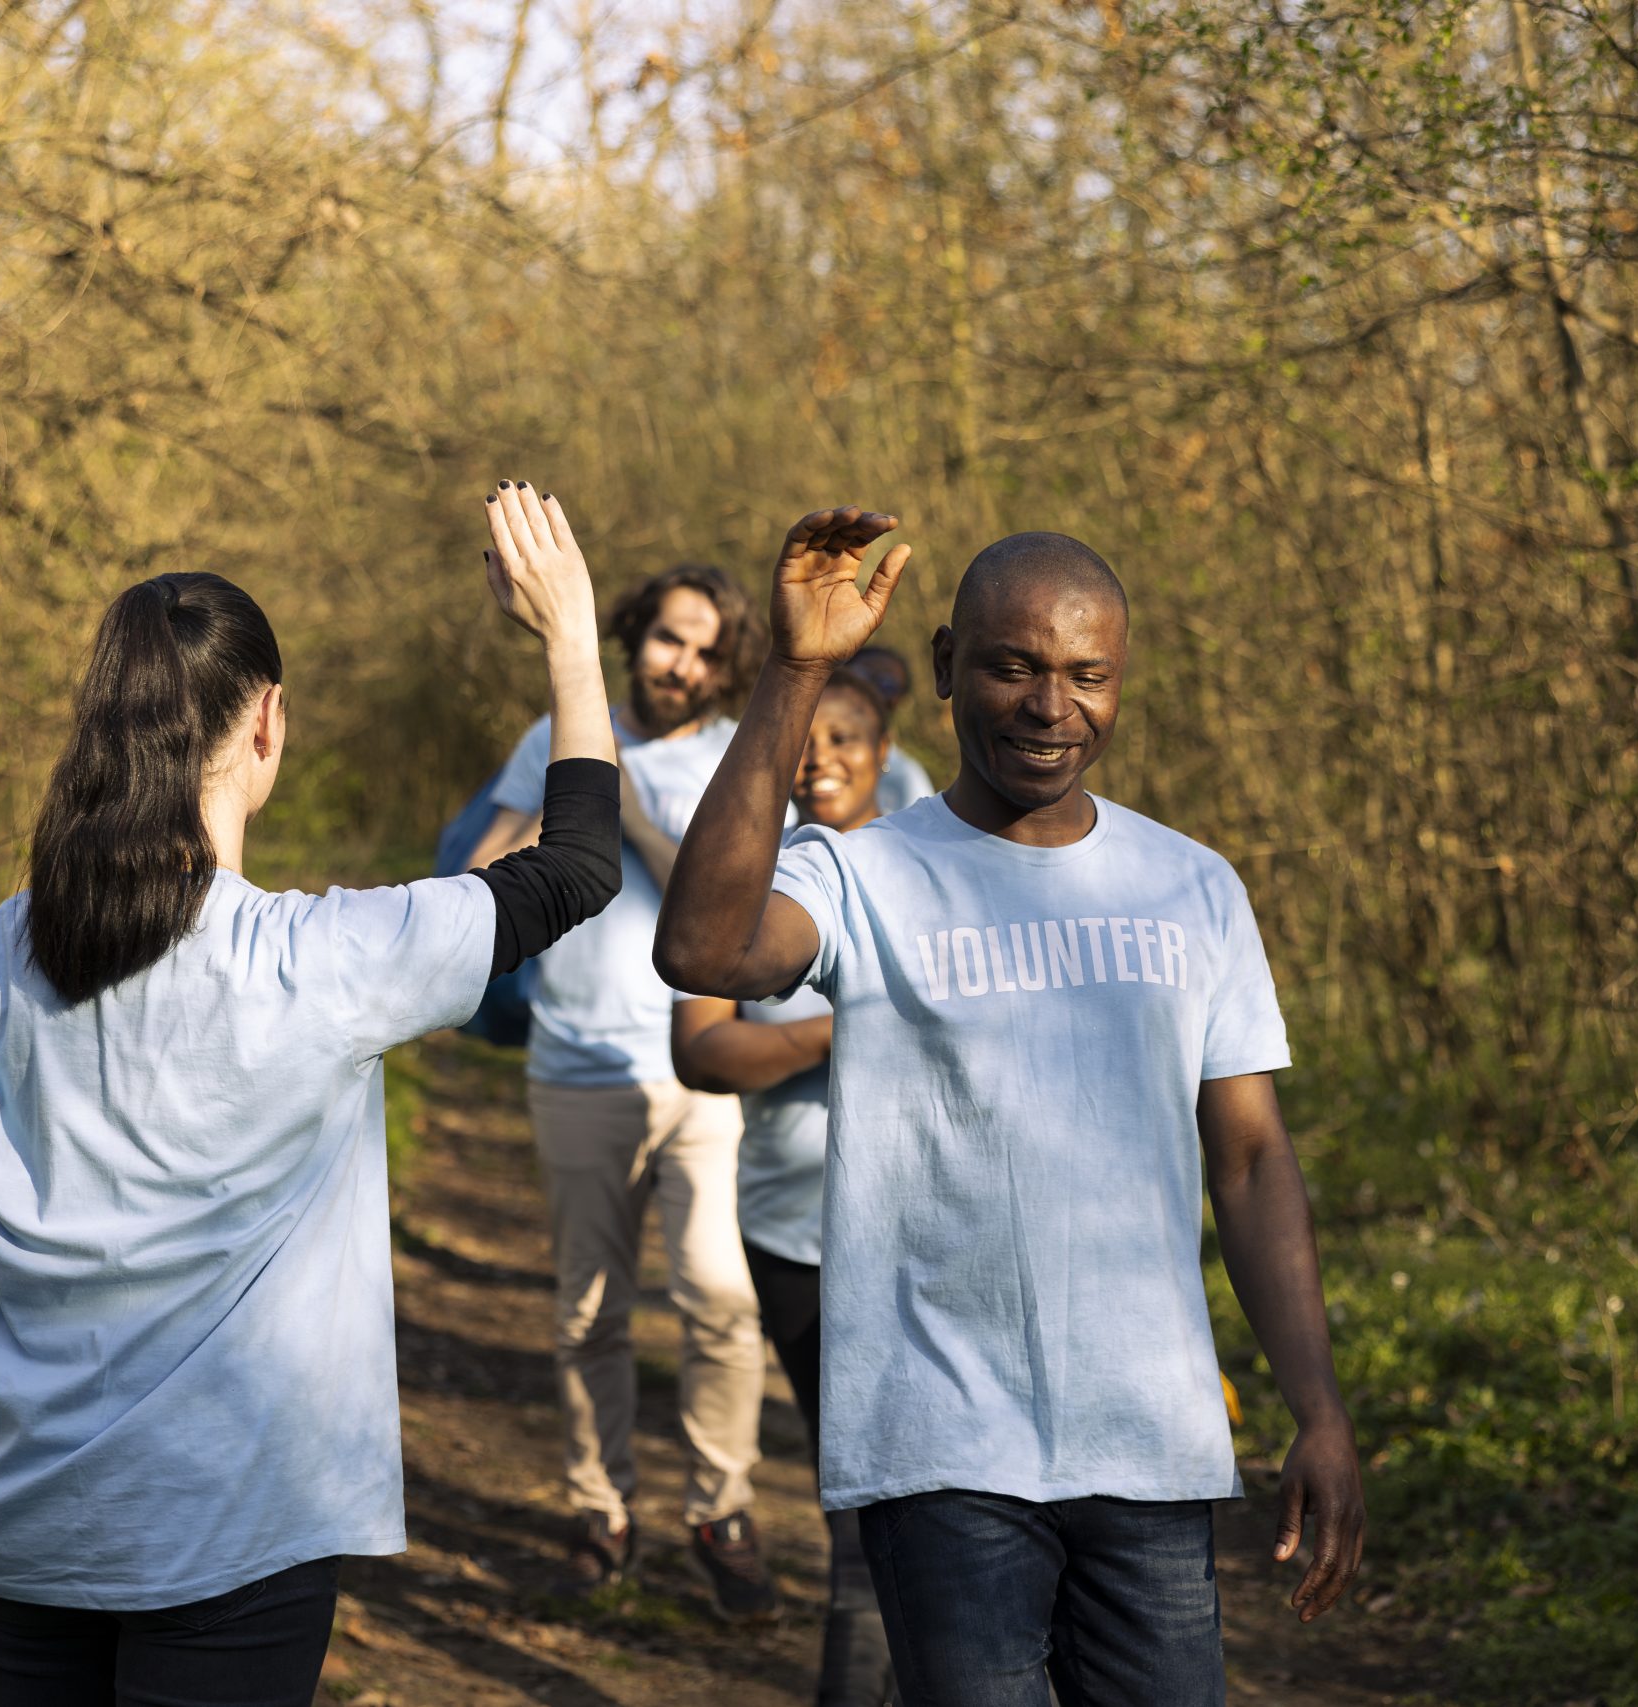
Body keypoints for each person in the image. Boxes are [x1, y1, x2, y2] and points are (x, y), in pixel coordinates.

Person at [0, 483, 623, 1707]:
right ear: (268, 726)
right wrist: (569, 637)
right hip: (228, 1533)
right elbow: (577, 869)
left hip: (15, 1519)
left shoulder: (4, 949)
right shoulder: (324, 960)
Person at [654, 509, 1368, 1705]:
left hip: (1149, 1441)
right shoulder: (863, 873)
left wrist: (1320, 1410)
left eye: (1086, 675)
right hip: (939, 1444)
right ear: (944, 668)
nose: (1051, 706)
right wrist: (794, 669)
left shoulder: (1192, 888)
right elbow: (703, 944)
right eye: (1012, 667)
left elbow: (1247, 1161)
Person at [461, 562, 781, 1614]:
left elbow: (721, 906)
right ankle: (600, 1509)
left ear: (722, 669)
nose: (681, 665)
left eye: (703, 652)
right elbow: (489, 867)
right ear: (633, 637)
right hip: (576, 1069)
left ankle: (721, 1508)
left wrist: (630, 815)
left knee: (721, 1302)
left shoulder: (734, 760)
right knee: (588, 1311)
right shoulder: (557, 730)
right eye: (666, 640)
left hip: (698, 1075)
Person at [671, 667, 896, 1707]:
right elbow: (704, 1054)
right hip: (797, 1238)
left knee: (933, 1506)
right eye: (805, 738)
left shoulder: (924, 868)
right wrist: (842, 1034)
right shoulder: (739, 881)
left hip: (920, 1237)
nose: (822, 758)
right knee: (859, 1510)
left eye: (845, 738)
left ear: (886, 753)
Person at [849, 644, 937, 812]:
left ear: (898, 700)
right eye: (861, 675)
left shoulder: (905, 777)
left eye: (887, 684)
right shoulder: (799, 753)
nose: (870, 689)